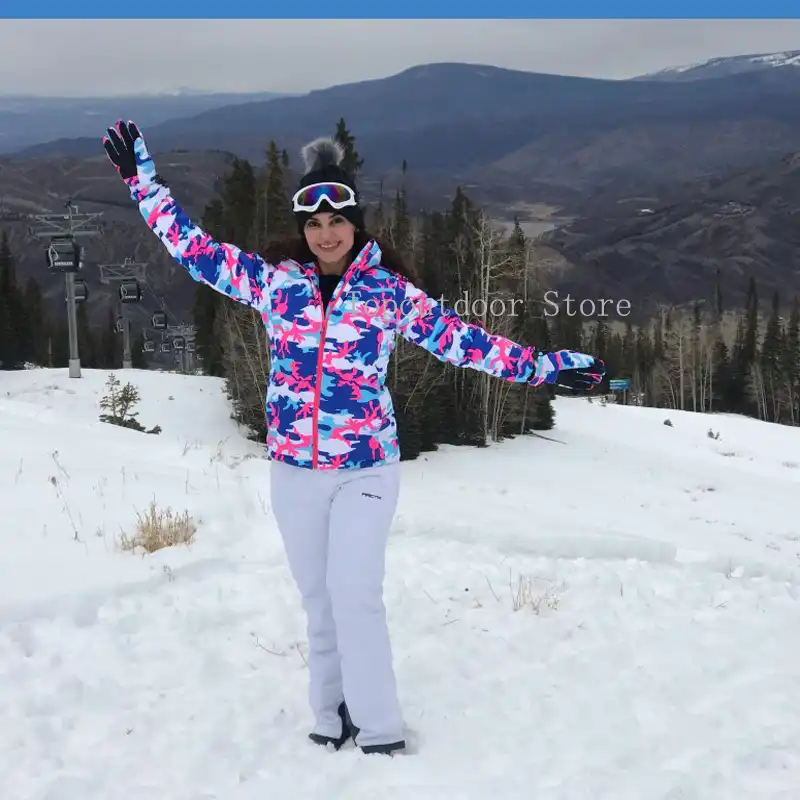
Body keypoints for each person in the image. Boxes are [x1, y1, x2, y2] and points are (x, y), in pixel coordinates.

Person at [102, 119, 605, 756]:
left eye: (337, 219)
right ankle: (329, 709)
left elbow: (463, 342)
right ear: (303, 228)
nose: (326, 233)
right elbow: (193, 249)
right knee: (319, 600)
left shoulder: (386, 293)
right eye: (314, 223)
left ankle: (380, 727)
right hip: (293, 471)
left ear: (355, 221)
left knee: (355, 594)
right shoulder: (275, 282)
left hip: (366, 466)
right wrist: (143, 184)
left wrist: (545, 368)